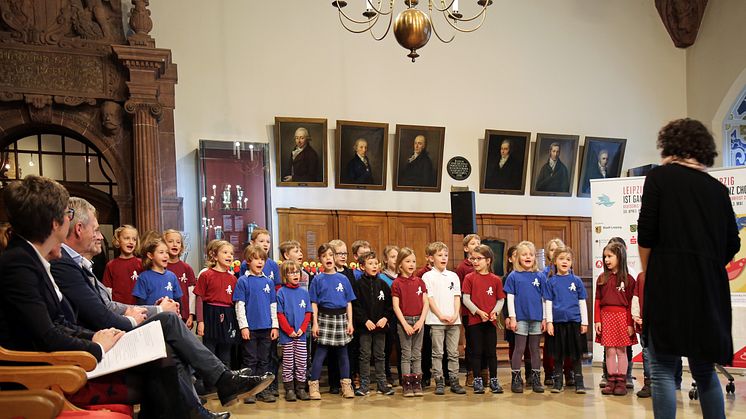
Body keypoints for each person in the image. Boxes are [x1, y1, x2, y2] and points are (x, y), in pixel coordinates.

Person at [0, 176, 271, 418]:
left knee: (165, 358)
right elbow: (48, 334)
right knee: (164, 355)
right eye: (67, 216)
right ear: (55, 222)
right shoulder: (20, 264)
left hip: (74, 353)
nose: (71, 223)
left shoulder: (29, 259)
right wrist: (96, 345)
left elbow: (58, 324)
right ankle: (216, 385)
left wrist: (95, 339)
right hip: (49, 371)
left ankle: (207, 396)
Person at [637, 118, 740, 419]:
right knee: (705, 370)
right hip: (708, 289)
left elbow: (646, 236)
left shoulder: (659, 179)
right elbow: (732, 244)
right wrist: (705, 264)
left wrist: (651, 273)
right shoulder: (718, 191)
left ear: (671, 146)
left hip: (667, 282)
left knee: (664, 370)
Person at [308, 243, 356, 400]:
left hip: (341, 318)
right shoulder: (317, 279)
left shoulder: (343, 279)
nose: (328, 258)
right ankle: (314, 386)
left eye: (330, 255)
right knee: (321, 353)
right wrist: (315, 323)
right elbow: (313, 303)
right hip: (324, 318)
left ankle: (346, 386)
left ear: (335, 257)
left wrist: (350, 322)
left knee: (343, 354)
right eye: (324, 256)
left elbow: (349, 302)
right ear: (320, 260)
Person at [234, 244, 279, 404]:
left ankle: (262, 390)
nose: (260, 262)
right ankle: (248, 391)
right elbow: (240, 306)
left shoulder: (268, 282)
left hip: (266, 328)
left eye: (262, 259)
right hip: (251, 329)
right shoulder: (243, 281)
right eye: (256, 259)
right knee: (250, 360)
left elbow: (273, 305)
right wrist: (244, 327)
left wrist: (275, 326)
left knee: (264, 360)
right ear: (248, 261)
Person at [422, 241, 466, 395]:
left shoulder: (453, 276)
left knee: (453, 353)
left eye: (446, 255)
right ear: (431, 258)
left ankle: (454, 380)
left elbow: (456, 297)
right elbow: (430, 298)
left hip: (454, 321)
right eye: (440, 255)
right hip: (436, 321)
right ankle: (439, 380)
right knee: (437, 353)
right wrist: (440, 315)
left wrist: (455, 314)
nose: (444, 258)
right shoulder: (428, 276)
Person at [194, 240, 240, 389]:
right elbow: (199, 298)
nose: (229, 256)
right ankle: (207, 383)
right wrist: (200, 321)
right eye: (225, 252)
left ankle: (224, 382)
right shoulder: (206, 275)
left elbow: (235, 303)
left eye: (231, 253)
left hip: (228, 315)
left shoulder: (233, 278)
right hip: (210, 313)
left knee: (225, 350)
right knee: (209, 350)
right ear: (214, 255)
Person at [461, 245, 506, 395]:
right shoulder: (469, 278)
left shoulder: (496, 280)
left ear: (488, 260)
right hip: (475, 322)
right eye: (473, 258)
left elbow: (500, 300)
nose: (475, 261)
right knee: (476, 352)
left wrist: (495, 312)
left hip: (490, 322)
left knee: (491, 352)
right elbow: (465, 299)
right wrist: (478, 312)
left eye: (479, 259)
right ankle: (477, 380)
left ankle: (493, 380)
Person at [543, 246, 588, 394]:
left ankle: (579, 382)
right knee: (557, 354)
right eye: (561, 259)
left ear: (571, 262)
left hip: (574, 323)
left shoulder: (577, 281)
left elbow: (582, 301)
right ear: (555, 261)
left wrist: (584, 322)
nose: (565, 262)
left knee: (575, 355)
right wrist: (549, 322)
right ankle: (557, 382)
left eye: (568, 259)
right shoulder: (551, 282)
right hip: (557, 324)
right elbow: (548, 302)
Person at [595, 242, 636, 396]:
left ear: (620, 257)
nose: (606, 259)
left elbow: (632, 303)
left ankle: (621, 381)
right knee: (610, 351)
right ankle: (611, 380)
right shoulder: (602, 278)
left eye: (610, 256)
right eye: (605, 256)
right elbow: (598, 300)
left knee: (621, 350)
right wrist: (597, 320)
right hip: (606, 317)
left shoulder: (629, 279)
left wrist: (630, 323)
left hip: (622, 318)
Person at [504, 240, 546, 394]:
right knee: (519, 348)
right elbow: (510, 298)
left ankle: (535, 379)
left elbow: (544, 298)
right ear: (518, 258)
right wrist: (513, 317)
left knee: (535, 349)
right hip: (521, 318)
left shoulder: (540, 276)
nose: (528, 257)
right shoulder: (513, 276)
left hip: (536, 318)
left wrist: (545, 318)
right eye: (524, 254)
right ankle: (516, 379)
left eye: (531, 254)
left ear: (535, 257)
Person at [352, 251, 394, 396]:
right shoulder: (358, 285)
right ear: (362, 267)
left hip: (380, 328)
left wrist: (385, 318)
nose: (374, 266)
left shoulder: (383, 285)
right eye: (370, 264)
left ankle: (382, 383)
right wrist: (365, 320)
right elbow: (355, 306)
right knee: (364, 355)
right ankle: (364, 384)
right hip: (365, 328)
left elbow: (390, 306)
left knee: (380, 355)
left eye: (376, 263)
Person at [391, 247, 429, 397]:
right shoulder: (397, 283)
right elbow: (395, 306)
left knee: (417, 353)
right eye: (407, 261)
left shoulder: (420, 282)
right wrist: (404, 324)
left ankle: (417, 382)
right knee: (406, 354)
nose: (411, 264)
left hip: (418, 320)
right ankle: (407, 383)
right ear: (400, 264)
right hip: (404, 321)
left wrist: (421, 320)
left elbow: (426, 302)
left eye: (413, 261)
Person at [276, 260, 312, 402]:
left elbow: (308, 312)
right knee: (288, 363)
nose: (295, 275)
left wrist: (302, 329)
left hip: (301, 336)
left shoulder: (304, 293)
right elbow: (280, 314)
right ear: (285, 276)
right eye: (291, 273)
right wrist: (289, 330)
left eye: (297, 272)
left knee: (302, 362)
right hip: (287, 336)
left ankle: (300, 388)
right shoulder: (281, 292)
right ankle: (289, 389)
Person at [502, 245, 532, 383]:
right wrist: (507, 316)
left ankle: (530, 374)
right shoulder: (508, 277)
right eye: (515, 255)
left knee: (529, 347)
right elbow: (505, 299)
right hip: (513, 317)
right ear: (510, 259)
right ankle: (516, 375)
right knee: (515, 345)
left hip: (527, 316)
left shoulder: (531, 275)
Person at [455, 233, 481, 386]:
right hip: (468, 310)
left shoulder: (485, 264)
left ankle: (483, 371)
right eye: (472, 243)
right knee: (471, 343)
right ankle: (470, 373)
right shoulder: (462, 268)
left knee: (482, 343)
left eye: (478, 241)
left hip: (483, 310)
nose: (476, 244)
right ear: (466, 248)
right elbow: (459, 291)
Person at [132, 238, 183, 307]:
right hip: (152, 316)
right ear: (150, 255)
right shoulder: (143, 277)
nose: (166, 256)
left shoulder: (172, 276)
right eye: (161, 252)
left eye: (167, 252)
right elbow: (140, 303)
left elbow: (178, 300)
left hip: (170, 316)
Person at [102, 225, 142, 305]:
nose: (131, 242)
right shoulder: (111, 265)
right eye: (127, 238)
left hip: (139, 308)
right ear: (118, 240)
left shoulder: (141, 263)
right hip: (119, 310)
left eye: (134, 239)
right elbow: (107, 291)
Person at [165, 229, 197, 326]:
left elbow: (192, 294)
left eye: (178, 242)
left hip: (183, 315)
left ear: (181, 246)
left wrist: (191, 315)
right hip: (165, 314)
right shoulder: (161, 267)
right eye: (170, 241)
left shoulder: (186, 268)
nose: (175, 244)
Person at [378, 244, 400, 386]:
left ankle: (404, 374)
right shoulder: (381, 278)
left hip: (402, 317)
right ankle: (386, 374)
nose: (395, 260)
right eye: (392, 257)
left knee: (401, 347)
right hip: (388, 317)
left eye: (398, 257)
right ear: (385, 260)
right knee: (386, 347)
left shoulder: (403, 277)